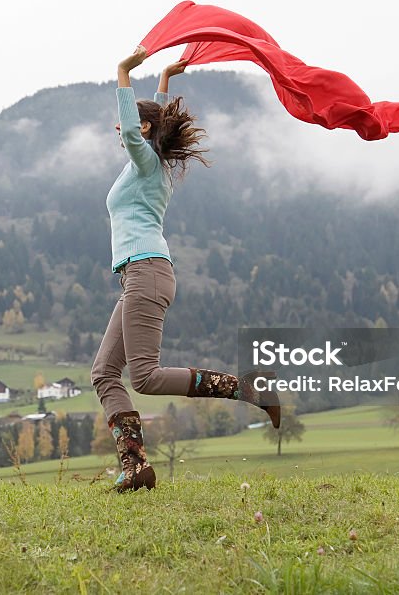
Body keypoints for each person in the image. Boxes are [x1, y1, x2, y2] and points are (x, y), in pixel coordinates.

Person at [91, 45, 281, 493]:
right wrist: (164, 79)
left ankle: (249, 390)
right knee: (104, 373)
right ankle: (135, 466)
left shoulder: (145, 164)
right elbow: (151, 127)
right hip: (139, 274)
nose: (117, 129)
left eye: (124, 123)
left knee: (146, 377)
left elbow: (141, 132)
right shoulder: (147, 165)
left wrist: (122, 71)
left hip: (146, 271)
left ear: (141, 129)